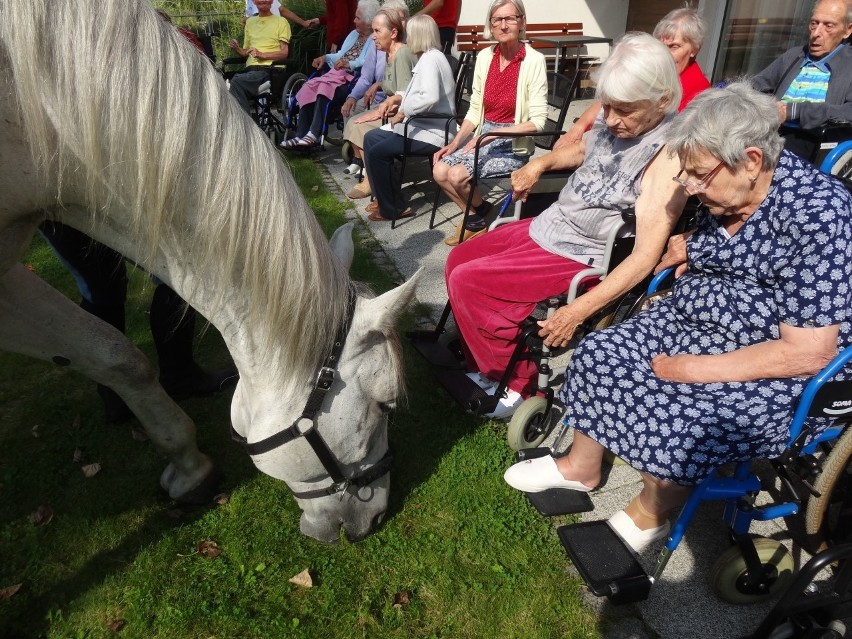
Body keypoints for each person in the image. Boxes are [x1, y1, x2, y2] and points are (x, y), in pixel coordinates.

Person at [503, 81, 852, 553]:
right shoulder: (730, 192)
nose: (688, 187)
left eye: (698, 176)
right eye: (685, 174)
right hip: (697, 316)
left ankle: (651, 513)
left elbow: (809, 350)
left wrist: (695, 367)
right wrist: (694, 245)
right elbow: (737, 243)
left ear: (751, 161)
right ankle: (580, 468)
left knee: (686, 410)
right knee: (601, 351)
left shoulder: (820, 214)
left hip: (768, 351)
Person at [445, 33, 688, 418]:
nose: (610, 119)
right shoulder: (618, 121)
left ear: (661, 100)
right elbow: (581, 147)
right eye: (606, 106)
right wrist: (540, 163)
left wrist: (576, 314)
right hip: (550, 224)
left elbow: (645, 257)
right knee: (459, 258)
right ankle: (479, 345)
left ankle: (515, 384)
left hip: (578, 251)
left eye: (622, 110)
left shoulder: (667, 153)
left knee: (469, 280)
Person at [39, 223, 238, 424]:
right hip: (76, 205)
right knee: (175, 272)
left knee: (101, 289)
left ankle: (117, 396)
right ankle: (177, 378)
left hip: (57, 207)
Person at [432, 0, 547, 246]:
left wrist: (494, 133)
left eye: (510, 18)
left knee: (457, 175)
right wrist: (454, 144)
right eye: (497, 19)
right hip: (483, 136)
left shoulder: (534, 61)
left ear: (522, 22)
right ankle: (478, 217)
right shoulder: (485, 56)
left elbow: (537, 122)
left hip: (513, 142)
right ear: (491, 25)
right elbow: (475, 110)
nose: (503, 25)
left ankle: (474, 220)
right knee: (439, 169)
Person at [558, 7, 710, 148]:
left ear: (694, 49)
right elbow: (610, 97)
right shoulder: (652, 69)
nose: (664, 53)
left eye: (673, 46)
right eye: (660, 45)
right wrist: (577, 128)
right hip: (604, 137)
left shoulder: (698, 91)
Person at [361, 15, 458, 221]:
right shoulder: (428, 57)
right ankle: (385, 197)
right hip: (422, 125)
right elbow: (416, 93)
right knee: (371, 139)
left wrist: (404, 111)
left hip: (433, 131)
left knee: (378, 152)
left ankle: (393, 209)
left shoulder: (431, 59)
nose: (408, 39)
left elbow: (429, 98)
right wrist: (398, 100)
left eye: (410, 34)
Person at [752, 0, 852, 160]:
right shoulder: (794, 56)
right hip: (771, 140)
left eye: (828, 26)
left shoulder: (849, 65)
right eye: (814, 23)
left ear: (848, 30)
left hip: (815, 147)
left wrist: (796, 111)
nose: (816, 33)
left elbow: (849, 112)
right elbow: (755, 86)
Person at [279, 0, 380, 150]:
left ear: (369, 22)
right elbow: (340, 54)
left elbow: (366, 61)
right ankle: (300, 135)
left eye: (358, 18)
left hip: (352, 79)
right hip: (335, 75)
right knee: (309, 87)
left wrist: (349, 64)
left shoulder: (373, 39)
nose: (354, 21)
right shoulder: (353, 34)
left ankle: (313, 134)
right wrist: (325, 57)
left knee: (323, 91)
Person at [343, 7, 416, 200]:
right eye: (373, 31)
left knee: (361, 127)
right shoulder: (389, 53)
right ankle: (373, 175)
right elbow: (388, 82)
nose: (373, 37)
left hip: (405, 115)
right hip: (390, 108)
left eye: (377, 31)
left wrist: (377, 113)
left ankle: (370, 179)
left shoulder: (401, 55)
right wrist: (377, 85)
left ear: (393, 33)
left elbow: (406, 96)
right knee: (353, 122)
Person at [228, 0, 291, 114]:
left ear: (272, 1)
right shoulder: (250, 22)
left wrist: (262, 55)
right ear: (254, 2)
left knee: (237, 81)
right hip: (251, 71)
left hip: (271, 70)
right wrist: (236, 48)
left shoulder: (281, 21)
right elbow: (245, 52)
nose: (262, 0)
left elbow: (284, 53)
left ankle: (244, 125)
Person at [246, 0, 317, 29]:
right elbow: (282, 10)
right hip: (278, 31)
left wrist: (303, 23)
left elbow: (258, 16)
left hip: (270, 33)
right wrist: (303, 23)